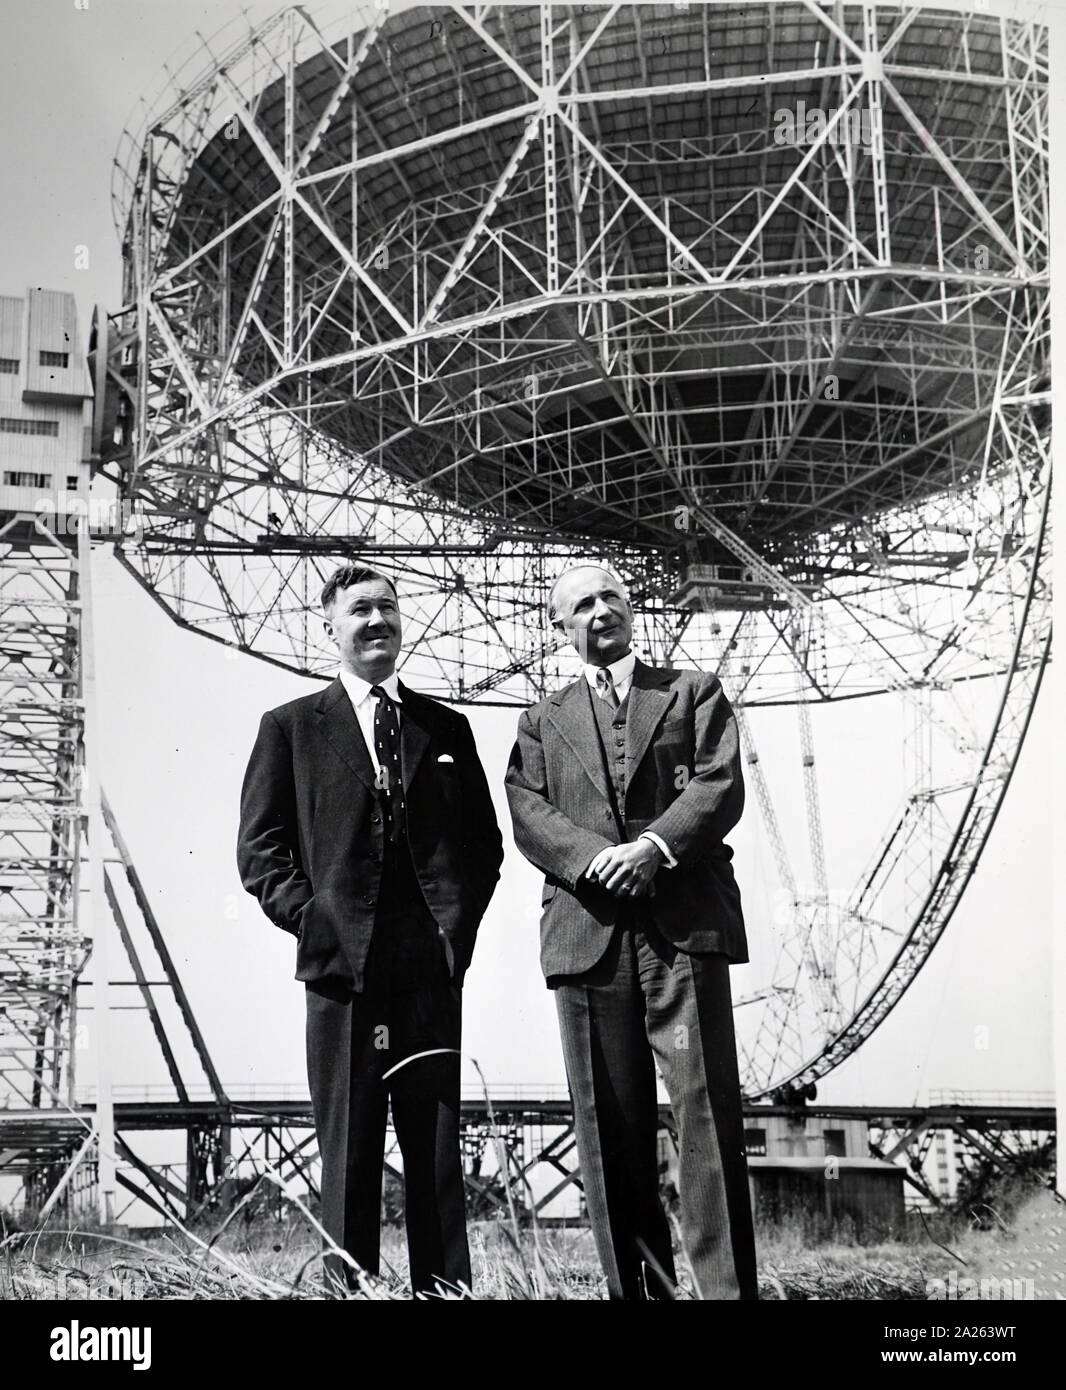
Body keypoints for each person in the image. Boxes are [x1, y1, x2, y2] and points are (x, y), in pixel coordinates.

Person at [237, 563, 502, 1296]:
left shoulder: (445, 729)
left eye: (388, 607)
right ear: (331, 627)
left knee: (436, 1152)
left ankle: (444, 1294)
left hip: (427, 973)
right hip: (340, 971)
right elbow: (259, 852)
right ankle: (345, 1294)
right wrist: (315, 922)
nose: (377, 621)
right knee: (349, 1154)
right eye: (359, 610)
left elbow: (483, 848)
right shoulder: (291, 727)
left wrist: (456, 934)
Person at [504, 564, 757, 1301]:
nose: (601, 610)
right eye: (582, 604)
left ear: (632, 608)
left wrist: (653, 849)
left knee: (705, 1119)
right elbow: (528, 811)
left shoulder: (690, 693)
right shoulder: (540, 722)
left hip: (682, 936)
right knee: (610, 1130)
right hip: (590, 940)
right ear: (561, 628)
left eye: (612, 596)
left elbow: (718, 783)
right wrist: (597, 862)